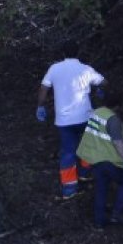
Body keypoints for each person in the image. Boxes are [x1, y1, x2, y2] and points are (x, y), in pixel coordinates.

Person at [37, 52, 105, 198]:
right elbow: (103, 82)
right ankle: (85, 173)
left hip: (64, 120)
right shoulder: (85, 69)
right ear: (78, 53)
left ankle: (69, 189)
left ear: (63, 54)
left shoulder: (54, 68)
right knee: (88, 145)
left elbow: (44, 88)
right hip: (85, 117)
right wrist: (100, 89)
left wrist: (40, 106)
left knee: (68, 152)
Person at [75, 88, 123, 228]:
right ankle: (117, 214)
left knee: (101, 188)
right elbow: (117, 142)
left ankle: (99, 221)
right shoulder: (113, 120)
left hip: (95, 159)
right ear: (118, 106)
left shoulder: (96, 112)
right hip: (110, 160)